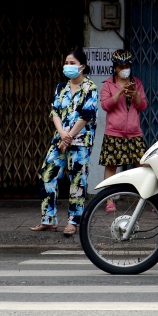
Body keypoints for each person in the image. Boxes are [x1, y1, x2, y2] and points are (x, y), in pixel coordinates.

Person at [33, 49, 99, 236]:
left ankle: (73, 222)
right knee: (47, 174)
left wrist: (69, 136)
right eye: (66, 63)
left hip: (80, 142)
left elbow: (87, 115)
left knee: (77, 181)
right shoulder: (61, 87)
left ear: (82, 66)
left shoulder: (90, 88)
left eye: (72, 63)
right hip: (60, 139)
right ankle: (48, 219)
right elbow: (55, 112)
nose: (68, 66)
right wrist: (62, 134)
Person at [99, 49, 149, 201]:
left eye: (126, 66)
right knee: (111, 166)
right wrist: (120, 92)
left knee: (142, 165)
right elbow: (105, 105)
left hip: (134, 132)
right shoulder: (108, 84)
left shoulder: (137, 83)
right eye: (120, 66)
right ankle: (109, 200)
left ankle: (149, 198)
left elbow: (143, 106)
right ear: (115, 67)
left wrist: (135, 95)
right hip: (114, 131)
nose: (123, 69)